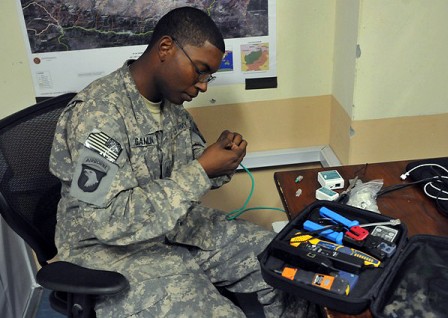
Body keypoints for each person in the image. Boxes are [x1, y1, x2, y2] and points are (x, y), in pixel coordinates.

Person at [50, 6, 315, 317]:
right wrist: (202, 170)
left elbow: (192, 167)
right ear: (166, 48)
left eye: (209, 77)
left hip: (171, 230)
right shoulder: (98, 115)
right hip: (106, 251)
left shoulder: (171, 107)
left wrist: (221, 160)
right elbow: (109, 221)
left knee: (284, 261)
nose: (203, 85)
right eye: (200, 70)